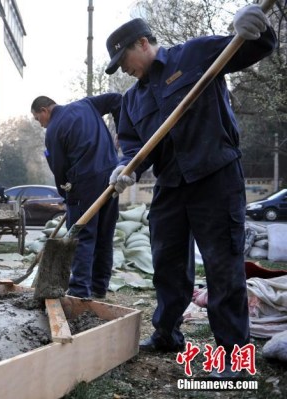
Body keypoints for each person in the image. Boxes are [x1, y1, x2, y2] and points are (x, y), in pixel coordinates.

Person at [105, 5, 276, 375]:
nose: (124, 68)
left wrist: (256, 29)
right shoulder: (132, 100)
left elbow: (250, 47)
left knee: (222, 265)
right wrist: (127, 168)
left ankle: (234, 356)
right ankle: (167, 332)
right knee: (166, 264)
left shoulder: (193, 54)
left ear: (143, 42)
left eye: (124, 59)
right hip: (170, 184)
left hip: (215, 175)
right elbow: (134, 147)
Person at [31, 93, 122, 299]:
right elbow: (118, 99)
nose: (41, 124)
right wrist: (122, 133)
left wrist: (66, 195)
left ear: (44, 110)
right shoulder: (87, 104)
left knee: (83, 237)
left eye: (38, 119)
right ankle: (99, 288)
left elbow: (59, 169)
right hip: (111, 178)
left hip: (84, 184)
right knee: (104, 236)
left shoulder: (53, 130)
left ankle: (80, 290)